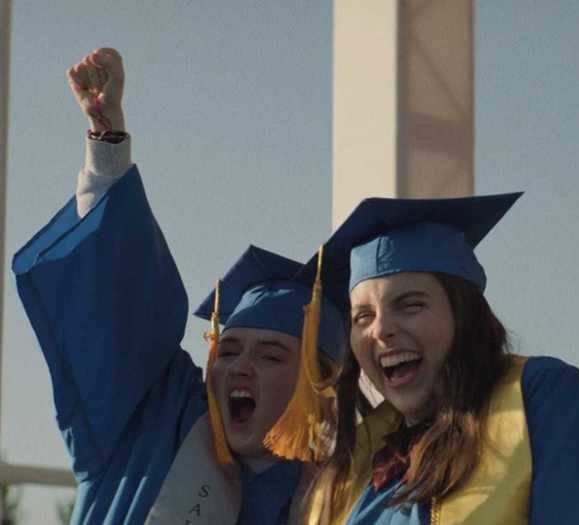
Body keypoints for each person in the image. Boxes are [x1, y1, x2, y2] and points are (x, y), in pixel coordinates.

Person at [12, 48, 345, 525]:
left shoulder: (346, 500)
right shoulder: (153, 423)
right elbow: (117, 307)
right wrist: (108, 150)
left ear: (319, 384)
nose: (239, 367)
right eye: (227, 351)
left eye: (271, 355)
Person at [303, 194, 579, 524]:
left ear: (465, 317)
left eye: (410, 305)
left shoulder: (540, 401)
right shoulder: (360, 464)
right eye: (362, 317)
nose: (381, 330)